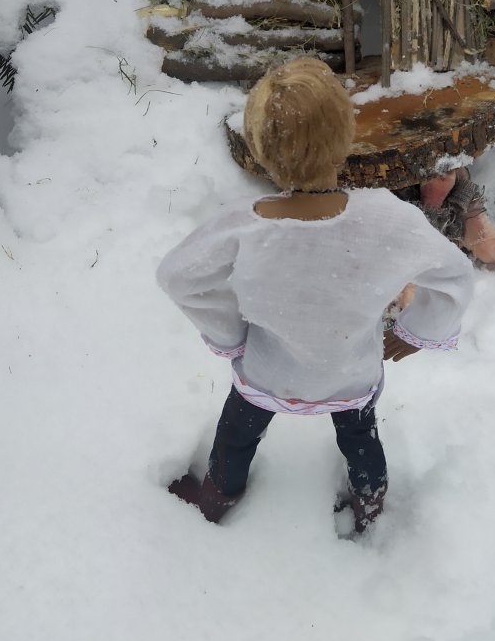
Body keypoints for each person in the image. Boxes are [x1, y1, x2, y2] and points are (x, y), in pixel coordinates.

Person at [157, 57, 474, 534]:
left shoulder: (243, 225)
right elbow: (454, 275)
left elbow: (179, 275)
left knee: (236, 435)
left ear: (260, 150)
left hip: (267, 371)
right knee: (361, 439)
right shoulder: (388, 219)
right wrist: (417, 332)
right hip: (351, 373)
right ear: (347, 137)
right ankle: (370, 503)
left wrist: (230, 333)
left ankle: (217, 496)